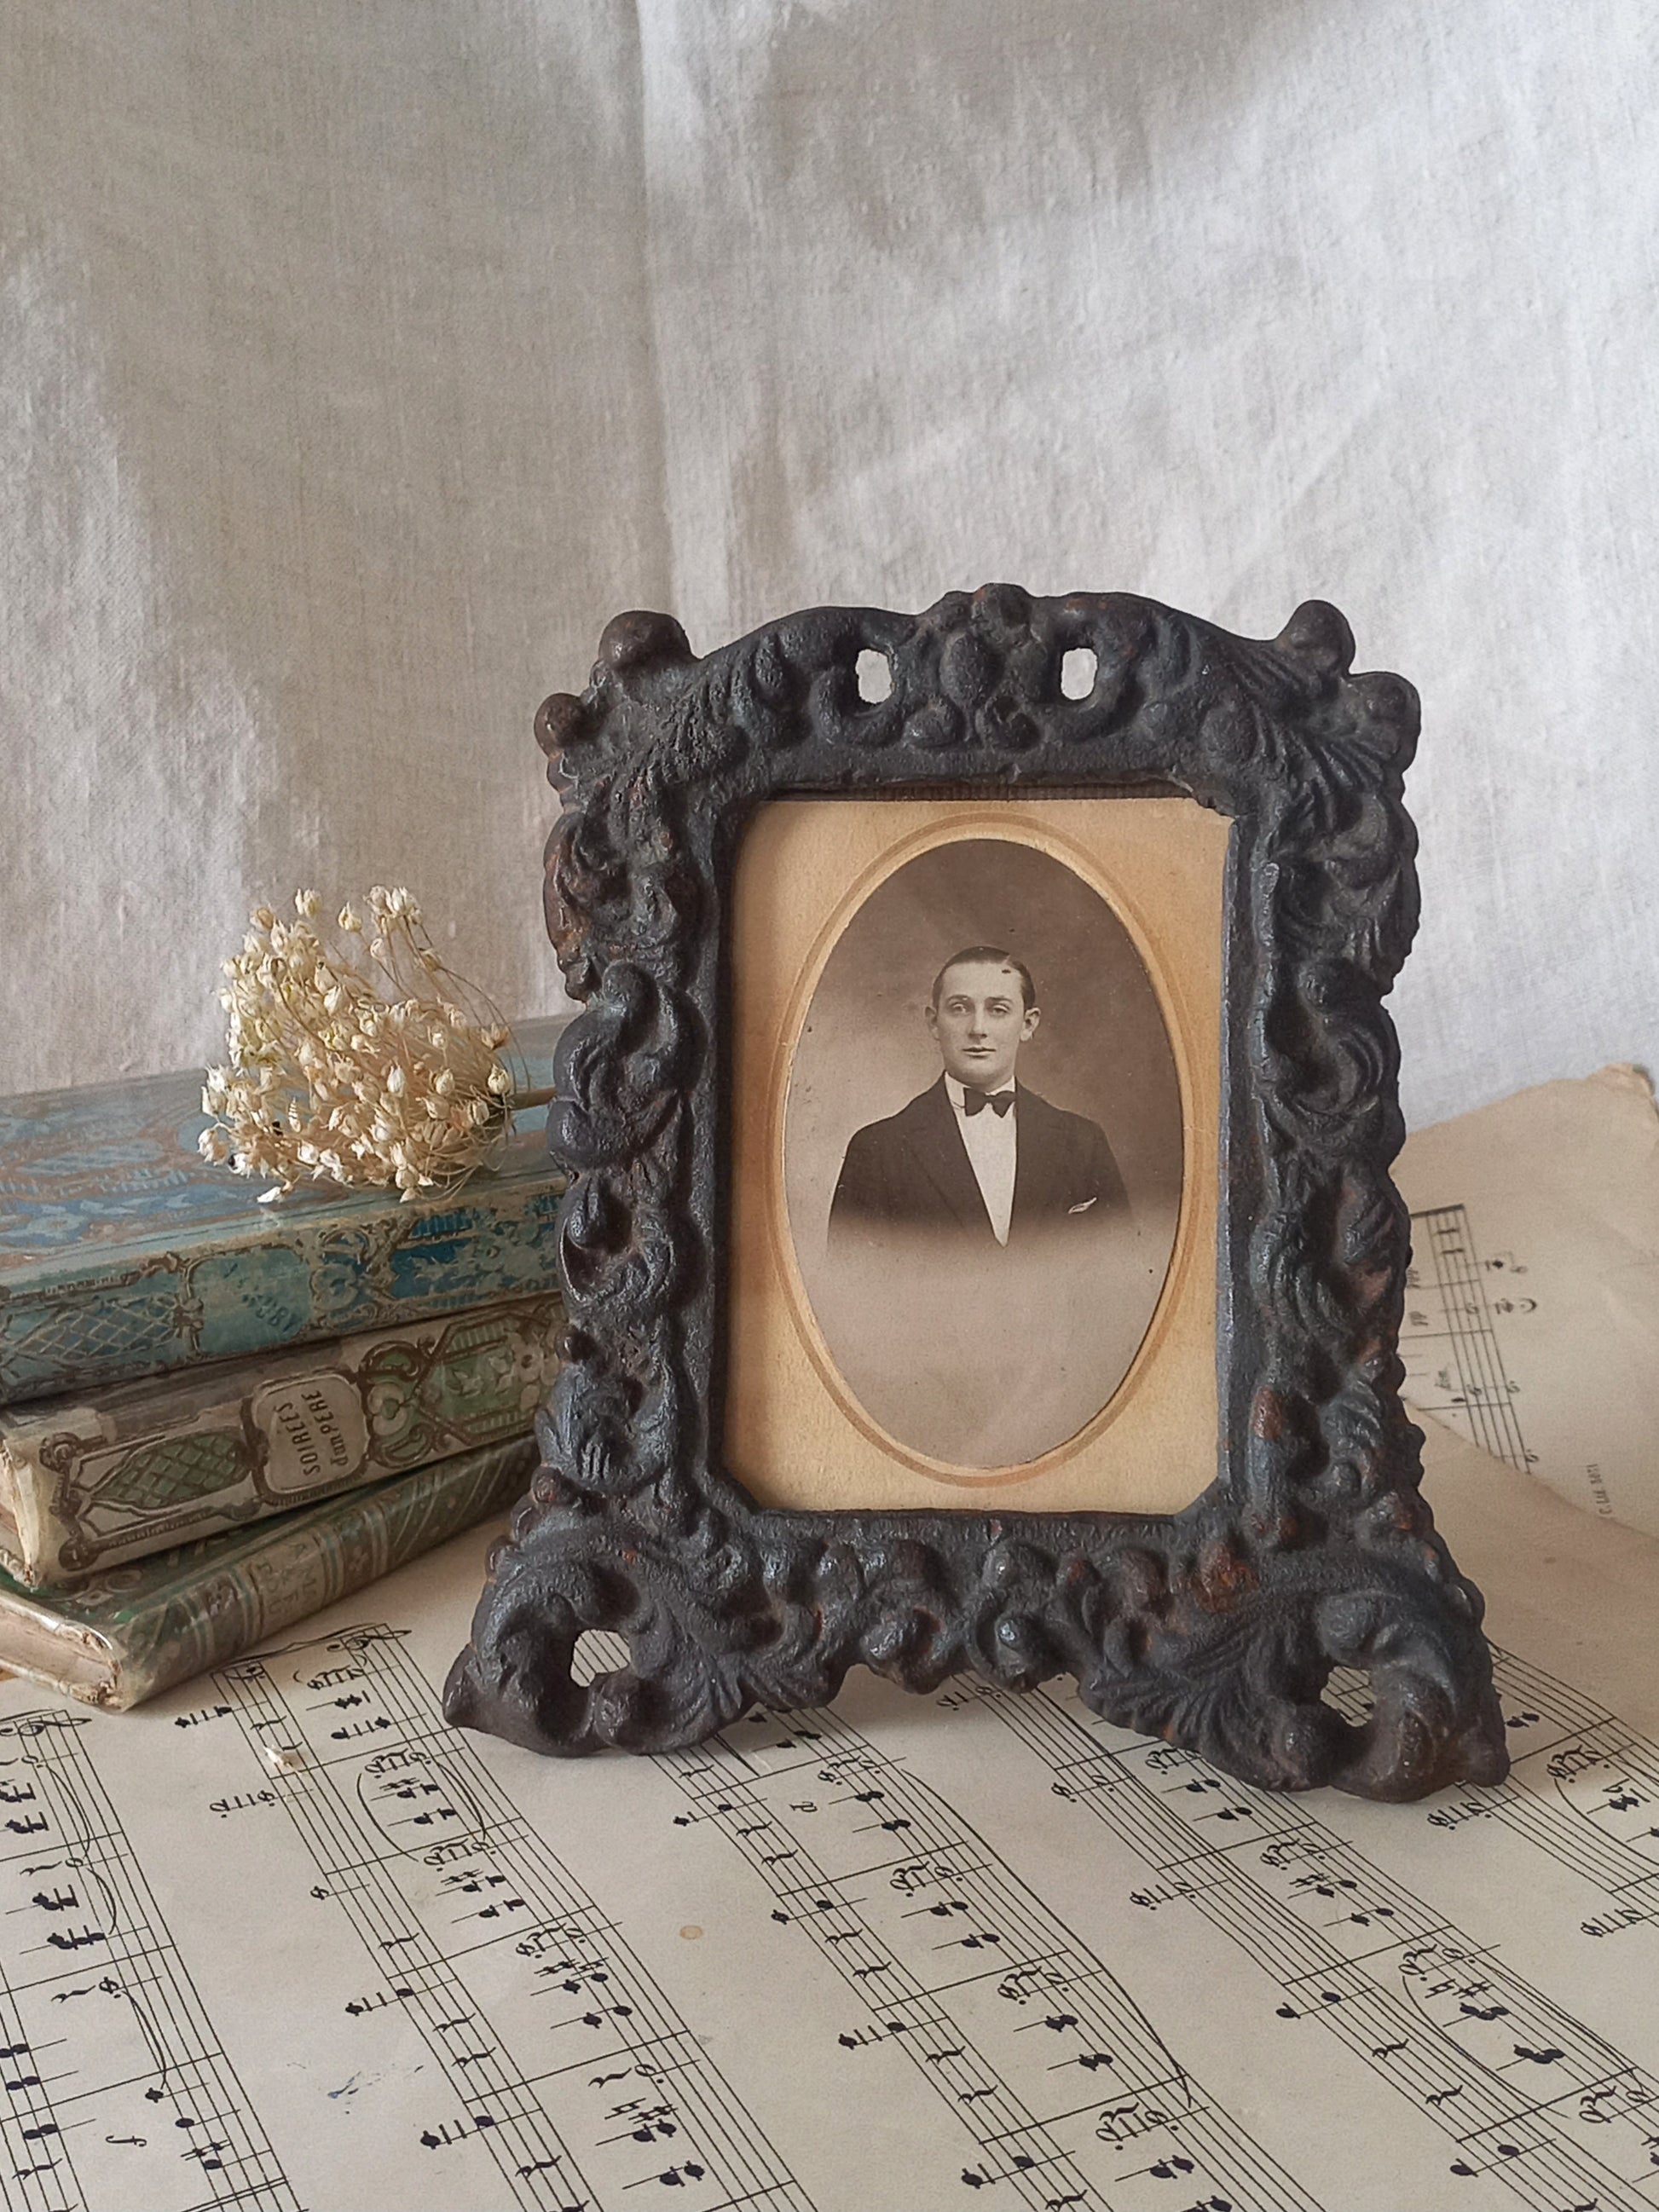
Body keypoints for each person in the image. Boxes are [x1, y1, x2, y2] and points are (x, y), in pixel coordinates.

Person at [828, 945, 1128, 1250]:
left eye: (998, 1010)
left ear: (1028, 1024)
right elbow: (849, 1276)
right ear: (934, 1022)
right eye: (960, 1008)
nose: (978, 1029)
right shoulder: (878, 1150)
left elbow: (1121, 1267)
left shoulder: (1083, 1143)